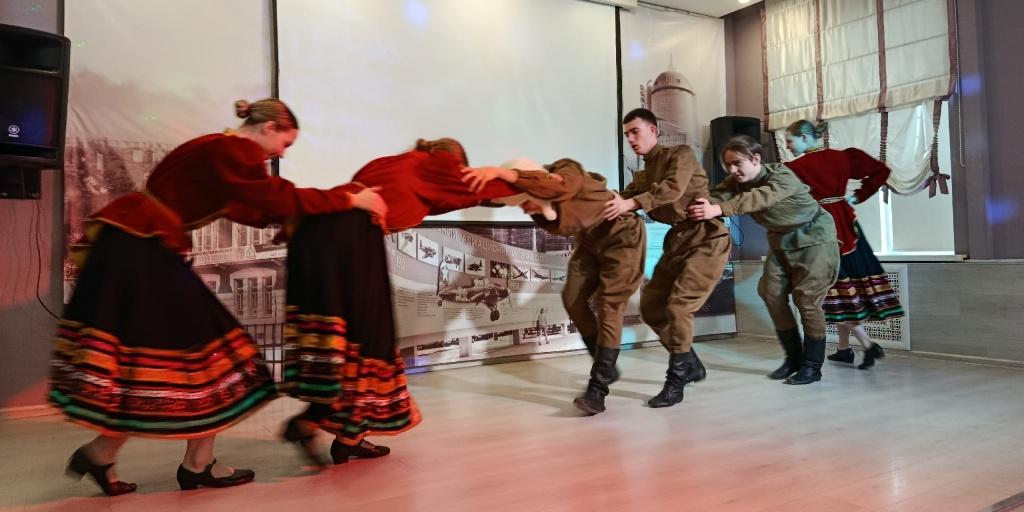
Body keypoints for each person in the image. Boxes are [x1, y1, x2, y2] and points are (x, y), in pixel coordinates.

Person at [51, 98, 386, 495]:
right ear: (269, 128)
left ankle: (105, 454)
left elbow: (250, 209)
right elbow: (274, 197)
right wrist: (351, 200)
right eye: (285, 144)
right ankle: (193, 463)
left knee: (155, 362)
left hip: (136, 245)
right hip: (143, 250)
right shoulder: (235, 150)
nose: (281, 154)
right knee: (219, 359)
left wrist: (303, 222)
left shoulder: (214, 147)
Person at [280, 138, 521, 465]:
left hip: (316, 232)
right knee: (370, 338)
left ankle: (347, 436)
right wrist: (514, 176)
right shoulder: (433, 163)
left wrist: (497, 196)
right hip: (350, 235)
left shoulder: (393, 165)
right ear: (452, 161)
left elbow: (448, 200)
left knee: (349, 337)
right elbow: (475, 187)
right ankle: (313, 423)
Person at [461, 156, 645, 415]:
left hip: (622, 237)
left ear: (535, 190)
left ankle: (598, 388)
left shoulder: (566, 172)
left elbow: (560, 186)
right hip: (591, 243)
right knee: (572, 298)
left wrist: (501, 172)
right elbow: (504, 198)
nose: (524, 210)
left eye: (525, 203)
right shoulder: (544, 205)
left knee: (609, 306)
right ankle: (610, 366)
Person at [600, 108, 731, 408]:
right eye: (627, 135)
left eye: (635, 131)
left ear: (653, 130)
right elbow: (623, 198)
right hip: (678, 241)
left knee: (678, 306)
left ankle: (676, 380)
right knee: (652, 307)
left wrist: (631, 203)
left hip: (707, 238)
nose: (631, 139)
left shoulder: (680, 155)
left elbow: (672, 189)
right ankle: (692, 364)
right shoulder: (644, 174)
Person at [687, 135, 839, 385]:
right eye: (728, 165)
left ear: (756, 158)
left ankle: (812, 366)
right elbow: (717, 195)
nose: (732, 170)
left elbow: (758, 198)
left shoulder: (782, 176)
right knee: (770, 292)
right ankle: (793, 358)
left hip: (815, 238)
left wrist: (718, 210)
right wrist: (699, 204)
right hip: (781, 241)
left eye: (737, 163)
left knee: (807, 300)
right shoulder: (736, 181)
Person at [783, 120, 904, 369]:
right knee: (844, 288)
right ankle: (843, 349)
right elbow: (881, 171)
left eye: (789, 141)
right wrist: (856, 196)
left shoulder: (794, 168)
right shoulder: (843, 157)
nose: (787, 147)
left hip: (821, 229)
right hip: (847, 225)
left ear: (804, 137)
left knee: (833, 289)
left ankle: (868, 344)